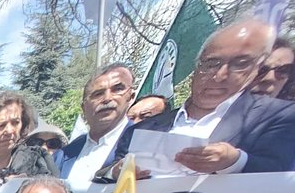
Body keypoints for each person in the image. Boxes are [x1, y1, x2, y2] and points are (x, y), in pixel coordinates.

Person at [108, 19, 295, 175]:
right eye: (212, 63)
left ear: (256, 70)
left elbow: (280, 178)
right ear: (196, 68)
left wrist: (235, 162)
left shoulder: (280, 117)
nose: (220, 75)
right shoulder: (141, 129)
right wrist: (115, 173)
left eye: (239, 64)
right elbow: (106, 179)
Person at [55, 64, 135, 185]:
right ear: (83, 107)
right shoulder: (64, 154)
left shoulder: (145, 144)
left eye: (117, 89)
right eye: (98, 94)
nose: (107, 98)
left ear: (131, 97)